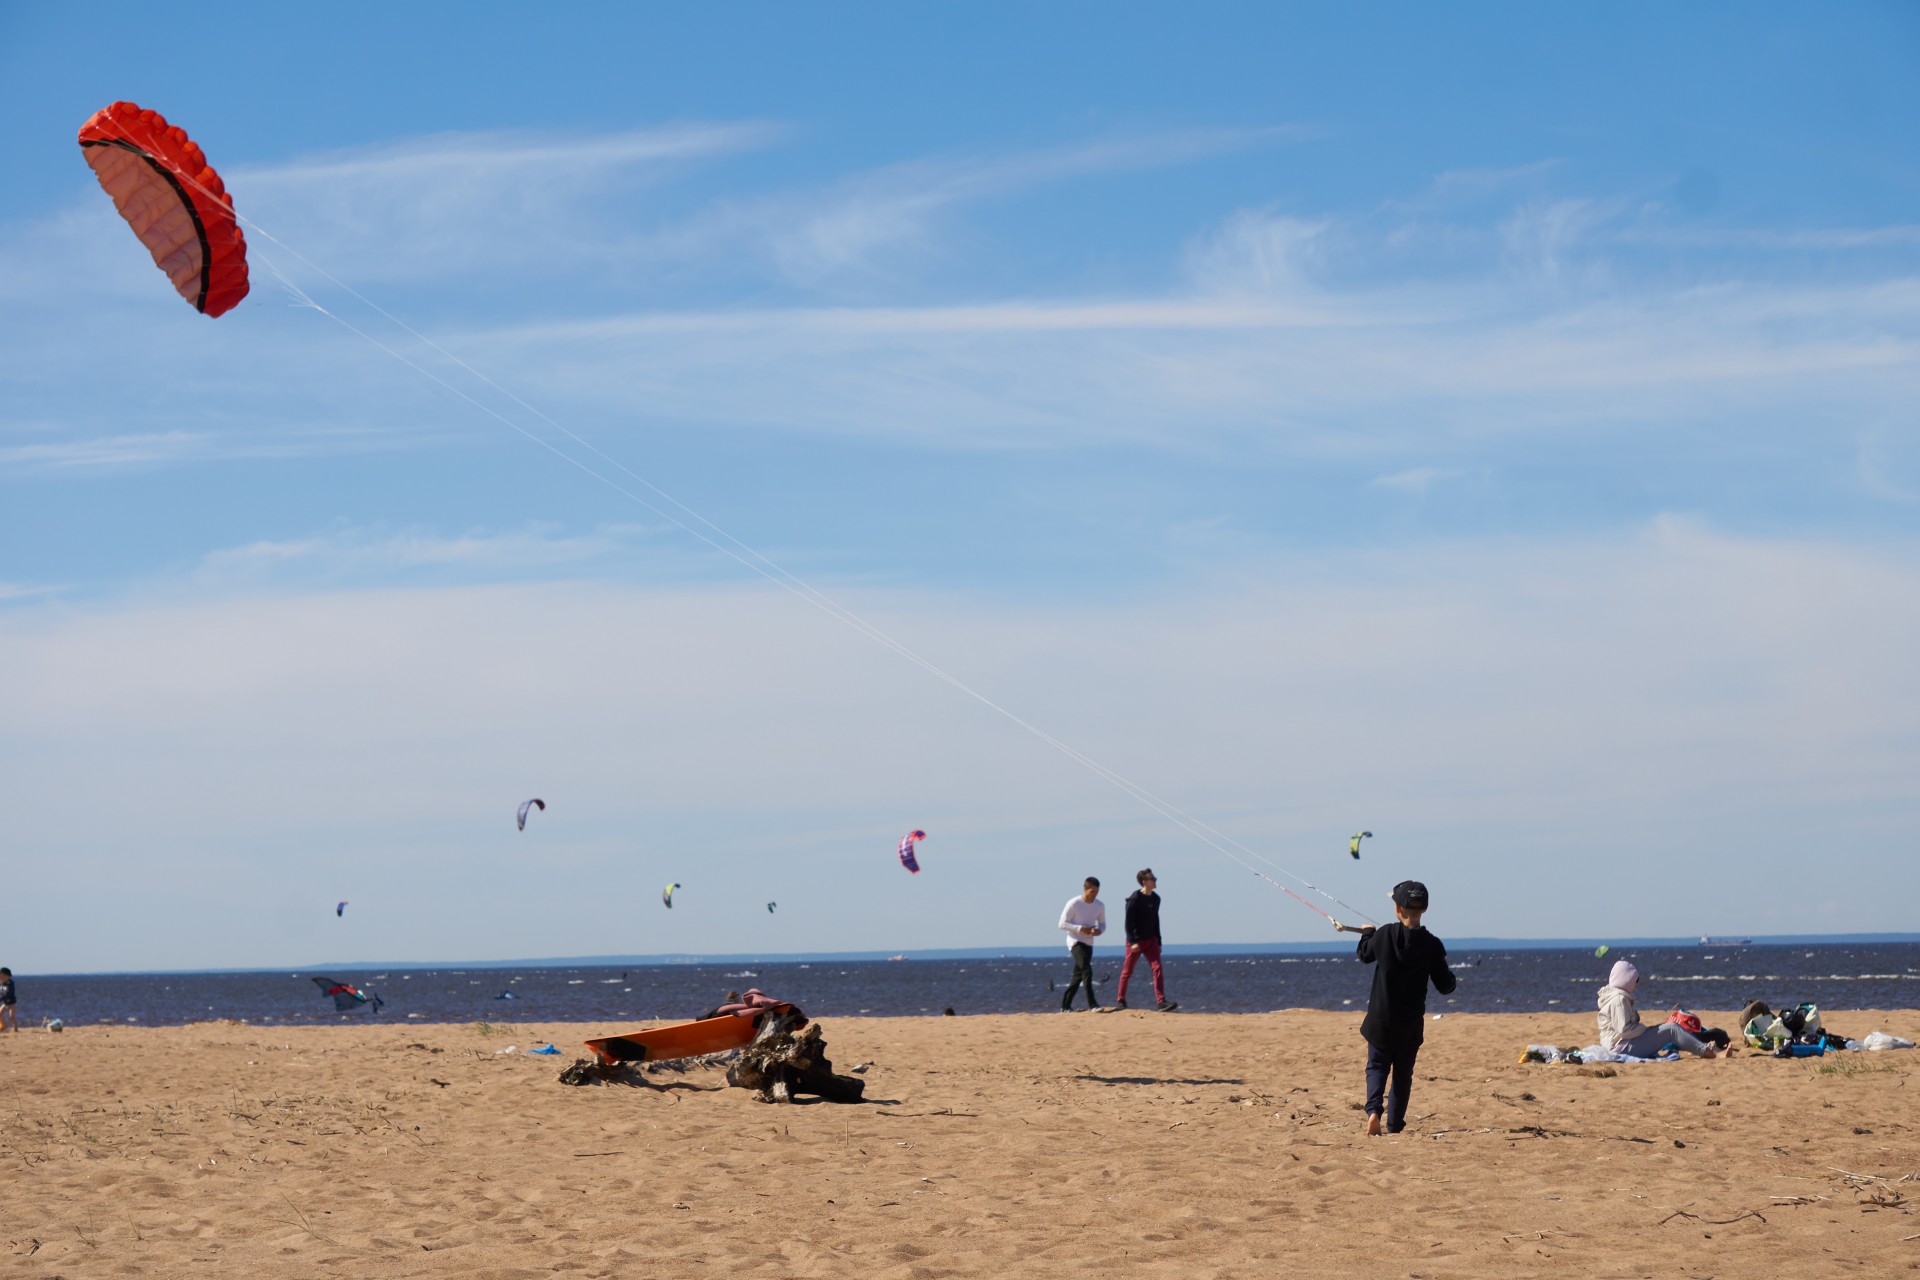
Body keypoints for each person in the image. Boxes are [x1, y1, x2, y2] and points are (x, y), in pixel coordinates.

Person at [1350, 881, 1456, 1136]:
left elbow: (1364, 954)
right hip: (1408, 1024)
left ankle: (1374, 1111)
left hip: (1380, 1021)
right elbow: (1445, 985)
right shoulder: (1431, 944)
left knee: (1376, 1067)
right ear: (1425, 909)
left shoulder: (1384, 934)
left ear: (1398, 908)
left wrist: (1367, 933)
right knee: (1402, 1075)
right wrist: (1451, 978)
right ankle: (1395, 1125)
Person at [1597, 960, 1729, 1059]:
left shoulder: (1614, 996)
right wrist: (1645, 1030)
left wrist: (1649, 1030)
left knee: (1668, 1027)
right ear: (1625, 979)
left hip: (1620, 1045)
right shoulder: (1618, 999)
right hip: (1621, 1048)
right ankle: (1711, 1053)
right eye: (1634, 981)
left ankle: (1702, 1048)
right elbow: (1625, 1030)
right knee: (1671, 1029)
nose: (1635, 985)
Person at [1115, 868, 1177, 1011]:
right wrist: (1132, 942)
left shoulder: (1156, 899)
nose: (1155, 880)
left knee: (1157, 968)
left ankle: (1161, 1001)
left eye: (1155, 878)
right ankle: (1121, 1000)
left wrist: (1159, 940)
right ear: (1144, 882)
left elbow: (1156, 920)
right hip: (1136, 942)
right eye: (1152, 878)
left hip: (1151, 940)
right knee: (1127, 971)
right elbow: (1128, 922)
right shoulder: (1134, 898)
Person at [1057, 877, 1106, 1010]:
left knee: (1078, 976)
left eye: (1097, 892)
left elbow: (1103, 924)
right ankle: (1093, 1005)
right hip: (1075, 941)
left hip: (1089, 942)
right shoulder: (1073, 903)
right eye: (1092, 891)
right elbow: (1062, 924)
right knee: (1086, 970)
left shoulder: (1099, 905)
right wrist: (1080, 928)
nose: (1094, 895)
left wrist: (1099, 931)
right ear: (1085, 889)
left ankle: (1065, 1006)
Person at [0, 968, 15, 1033]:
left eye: (2, 976)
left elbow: (7, 993)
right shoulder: (2, 983)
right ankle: (4, 1026)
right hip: (5, 1003)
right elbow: (1, 991)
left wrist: (1, 998)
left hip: (12, 1003)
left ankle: (15, 1029)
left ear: (7, 976)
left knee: (11, 1017)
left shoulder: (10, 983)